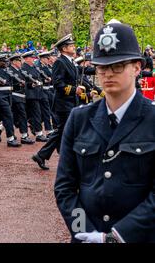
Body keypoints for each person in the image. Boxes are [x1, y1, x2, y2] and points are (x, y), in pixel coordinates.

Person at [55, 20, 155, 243]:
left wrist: (116, 237)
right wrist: (85, 232)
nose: (108, 73)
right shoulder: (79, 118)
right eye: (102, 66)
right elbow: (65, 187)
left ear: (137, 67)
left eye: (117, 65)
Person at [31, 34, 83, 170]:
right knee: (63, 131)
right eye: (71, 46)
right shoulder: (60, 62)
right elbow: (58, 84)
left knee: (64, 131)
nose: (74, 47)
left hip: (71, 102)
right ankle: (44, 155)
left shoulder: (71, 61)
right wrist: (74, 90)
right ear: (64, 48)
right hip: (63, 103)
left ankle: (47, 155)